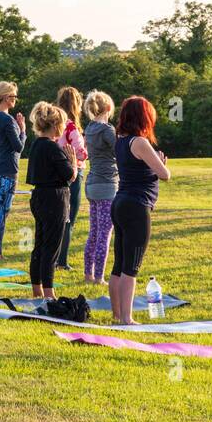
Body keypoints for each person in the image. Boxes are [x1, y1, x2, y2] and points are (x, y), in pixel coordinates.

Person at [109, 96, 171, 325]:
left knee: (119, 263)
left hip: (120, 203)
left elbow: (140, 170)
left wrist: (156, 165)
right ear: (144, 117)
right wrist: (162, 163)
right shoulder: (141, 142)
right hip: (136, 206)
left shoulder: (120, 140)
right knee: (131, 266)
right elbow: (165, 175)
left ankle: (117, 315)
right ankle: (126, 318)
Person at [25, 102, 77, 299]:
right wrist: (73, 164)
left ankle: (37, 289)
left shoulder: (37, 144)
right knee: (51, 247)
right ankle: (49, 293)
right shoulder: (53, 148)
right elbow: (70, 176)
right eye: (62, 124)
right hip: (54, 199)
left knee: (39, 244)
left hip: (39, 197)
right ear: (55, 125)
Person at [0, 81, 27, 259]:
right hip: (8, 168)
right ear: (5, 97)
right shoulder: (6, 119)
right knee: (2, 210)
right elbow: (18, 147)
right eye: (13, 96)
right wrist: (23, 130)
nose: (15, 99)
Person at [82, 90, 118, 286]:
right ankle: (99, 277)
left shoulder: (90, 128)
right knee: (105, 233)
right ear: (108, 108)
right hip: (107, 185)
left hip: (92, 184)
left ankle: (88, 274)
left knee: (94, 232)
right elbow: (120, 152)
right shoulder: (107, 131)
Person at [54, 86, 88, 271]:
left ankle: (54, 256)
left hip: (56, 171)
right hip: (73, 171)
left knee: (59, 216)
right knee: (69, 218)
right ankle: (62, 261)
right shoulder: (71, 127)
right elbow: (81, 154)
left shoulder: (55, 123)